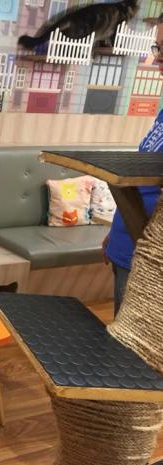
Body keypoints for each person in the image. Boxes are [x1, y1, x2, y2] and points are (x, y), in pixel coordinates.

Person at [103, 16, 163, 317]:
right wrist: (115, 234)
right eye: (157, 48)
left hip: (152, 260)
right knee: (120, 336)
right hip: (127, 247)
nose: (157, 59)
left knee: (134, 344)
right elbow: (141, 183)